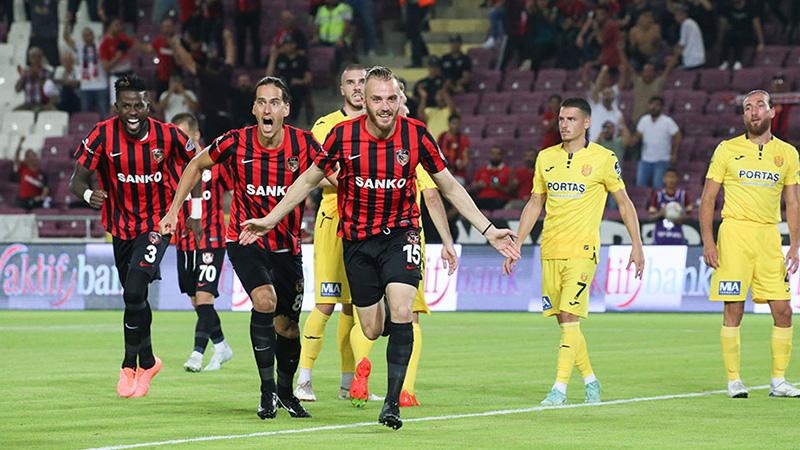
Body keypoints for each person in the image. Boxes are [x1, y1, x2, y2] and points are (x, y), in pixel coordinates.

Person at [236, 66, 519, 429]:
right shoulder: (342, 136)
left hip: (401, 236)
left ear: (400, 98)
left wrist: (489, 229)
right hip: (357, 242)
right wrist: (271, 218)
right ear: (364, 102)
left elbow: (447, 186)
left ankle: (391, 404)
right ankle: (381, 314)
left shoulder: (416, 135)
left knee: (403, 310)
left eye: (391, 98)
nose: (385, 106)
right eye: (377, 99)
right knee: (370, 328)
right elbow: (308, 180)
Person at [160, 76, 314, 420]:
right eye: (261, 102)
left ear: (286, 109)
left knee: (288, 327)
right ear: (254, 110)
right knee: (265, 301)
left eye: (275, 102)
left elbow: (334, 175)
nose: (267, 108)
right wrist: (173, 210)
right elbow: (195, 164)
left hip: (287, 248)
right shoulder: (235, 142)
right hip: (245, 240)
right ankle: (266, 392)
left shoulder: (305, 145)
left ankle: (287, 391)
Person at [503, 97, 645, 406]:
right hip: (550, 249)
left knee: (569, 314)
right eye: (561, 119)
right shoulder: (545, 158)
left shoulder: (604, 159)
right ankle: (591, 380)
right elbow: (535, 202)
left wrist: (637, 245)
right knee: (565, 322)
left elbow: (624, 202)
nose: (564, 124)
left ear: (586, 123)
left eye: (570, 119)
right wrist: (517, 243)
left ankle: (559, 389)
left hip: (583, 251)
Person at [69, 75, 196, 398]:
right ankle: (150, 360)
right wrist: (87, 196)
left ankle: (129, 365)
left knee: (134, 290)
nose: (133, 111)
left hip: (157, 223)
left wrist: (189, 213)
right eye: (126, 106)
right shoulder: (102, 136)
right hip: (121, 228)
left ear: (148, 105)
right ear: (117, 107)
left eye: (139, 105)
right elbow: (77, 179)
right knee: (134, 296)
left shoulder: (168, 137)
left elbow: (198, 165)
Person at [700, 89, 800, 399]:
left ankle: (779, 381)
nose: (753, 112)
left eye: (759, 106)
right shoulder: (727, 150)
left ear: (772, 112)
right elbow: (708, 198)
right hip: (734, 235)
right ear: (744, 116)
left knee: (783, 311)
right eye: (747, 108)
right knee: (734, 308)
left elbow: (793, 200)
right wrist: (708, 241)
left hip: (769, 237)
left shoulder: (788, 154)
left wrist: (795, 243)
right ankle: (734, 381)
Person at [295, 65, 369, 403]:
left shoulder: (378, 126)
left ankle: (347, 383)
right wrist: (351, 184)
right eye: (351, 82)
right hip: (334, 217)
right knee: (326, 301)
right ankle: (304, 378)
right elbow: (314, 173)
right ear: (341, 89)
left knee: (354, 307)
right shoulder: (325, 126)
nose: (357, 88)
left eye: (363, 82)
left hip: (367, 221)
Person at [170, 112, 234, 373]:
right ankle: (221, 345)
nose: (179, 141)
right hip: (184, 242)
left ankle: (197, 353)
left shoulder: (215, 164)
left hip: (212, 239)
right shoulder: (173, 167)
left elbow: (234, 192)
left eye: (183, 134)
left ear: (196, 135)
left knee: (205, 298)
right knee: (197, 301)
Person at [171, 28, 234, 144]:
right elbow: (230, 58)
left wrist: (178, 45)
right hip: (226, 119)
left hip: (211, 120)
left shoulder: (206, 76)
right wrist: (229, 39)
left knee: (212, 154)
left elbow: (188, 62)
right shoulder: (225, 73)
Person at [629, 96, 681, 188]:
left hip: (662, 160)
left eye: (657, 105)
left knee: (658, 187)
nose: (654, 107)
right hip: (645, 160)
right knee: (640, 188)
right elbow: (637, 137)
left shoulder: (667, 121)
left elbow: (678, 136)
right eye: (652, 104)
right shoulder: (644, 120)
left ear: (661, 107)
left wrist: (674, 153)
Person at [63, 26, 109, 116]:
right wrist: (66, 23)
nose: (88, 37)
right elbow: (66, 38)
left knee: (103, 112)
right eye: (85, 35)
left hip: (101, 85)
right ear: (83, 37)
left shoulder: (100, 46)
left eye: (89, 35)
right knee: (85, 114)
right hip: (85, 86)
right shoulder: (80, 47)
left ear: (93, 36)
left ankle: (106, 130)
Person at [266, 34, 312, 125]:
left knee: (296, 91)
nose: (286, 46)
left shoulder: (301, 59)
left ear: (294, 45)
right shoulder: (279, 58)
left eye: (289, 44)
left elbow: (308, 78)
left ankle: (293, 118)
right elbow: (268, 75)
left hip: (297, 85)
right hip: (281, 85)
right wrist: (273, 58)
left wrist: (299, 81)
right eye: (284, 44)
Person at [648, 167, 692, 245]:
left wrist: (679, 218)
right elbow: (650, 217)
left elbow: (690, 215)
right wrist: (660, 214)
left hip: (677, 234)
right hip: (660, 234)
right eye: (668, 177)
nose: (671, 180)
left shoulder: (683, 195)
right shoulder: (658, 195)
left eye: (673, 177)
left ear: (677, 179)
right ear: (664, 179)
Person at [719, 0, 764, 71]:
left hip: (748, 34)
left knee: (739, 35)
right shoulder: (727, 7)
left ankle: (738, 61)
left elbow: (757, 25)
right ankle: (725, 61)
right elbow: (723, 24)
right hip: (733, 32)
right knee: (728, 35)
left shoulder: (750, 6)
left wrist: (761, 42)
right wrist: (720, 40)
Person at [99, 18, 134, 104]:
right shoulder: (104, 44)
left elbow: (134, 44)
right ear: (109, 27)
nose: (119, 28)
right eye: (116, 25)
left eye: (120, 25)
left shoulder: (123, 37)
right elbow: (105, 67)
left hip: (129, 74)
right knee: (116, 105)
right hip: (116, 77)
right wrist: (117, 58)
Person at [469, 146, 516, 211]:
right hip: (482, 199)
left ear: (501, 156)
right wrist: (477, 186)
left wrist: (499, 187)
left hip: (499, 199)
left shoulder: (508, 171)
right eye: (493, 154)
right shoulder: (481, 170)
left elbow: (512, 192)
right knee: (469, 203)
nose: (495, 156)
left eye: (497, 154)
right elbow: (471, 189)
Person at [587, 65, 624, 142]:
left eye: (610, 93)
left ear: (614, 96)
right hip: (595, 145)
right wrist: (603, 72)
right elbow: (596, 90)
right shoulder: (596, 105)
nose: (608, 95)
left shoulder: (617, 113)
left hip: (610, 148)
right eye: (606, 93)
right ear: (602, 95)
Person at [14, 47, 54, 112]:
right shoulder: (26, 73)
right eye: (33, 57)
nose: (36, 59)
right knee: (14, 114)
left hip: (41, 104)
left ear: (41, 58)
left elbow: (49, 91)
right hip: (28, 104)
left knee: (36, 111)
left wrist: (36, 76)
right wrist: (23, 77)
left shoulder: (47, 73)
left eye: (38, 57)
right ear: (30, 59)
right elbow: (17, 89)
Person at [14, 138, 49, 211]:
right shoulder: (23, 169)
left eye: (34, 155)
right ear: (26, 159)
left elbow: (46, 189)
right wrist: (20, 144)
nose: (34, 158)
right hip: (22, 200)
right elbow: (16, 159)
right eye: (30, 156)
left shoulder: (42, 174)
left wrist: (41, 197)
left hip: (34, 201)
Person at [436, 113, 470, 185]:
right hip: (443, 171)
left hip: (458, 174)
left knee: (457, 184)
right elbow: (436, 154)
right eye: (454, 123)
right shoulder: (441, 137)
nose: (456, 126)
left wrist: (461, 165)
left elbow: (465, 159)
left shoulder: (463, 139)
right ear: (449, 123)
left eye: (458, 124)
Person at [672, 5, 705, 70]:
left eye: (676, 15)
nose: (675, 18)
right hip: (699, 59)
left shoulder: (686, 24)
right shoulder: (691, 23)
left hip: (692, 61)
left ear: (682, 15)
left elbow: (681, 45)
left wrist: (673, 59)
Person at [234, 0, 261, 67]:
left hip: (253, 10)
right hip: (240, 11)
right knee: (240, 38)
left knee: (255, 38)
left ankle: (257, 61)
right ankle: (240, 61)